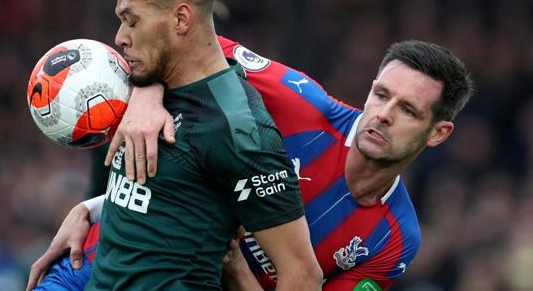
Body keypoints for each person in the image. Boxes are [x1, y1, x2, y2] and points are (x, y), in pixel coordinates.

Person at [28, 35, 474, 290]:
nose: (383, 114)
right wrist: (145, 91)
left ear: (438, 133)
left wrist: (240, 276)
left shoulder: (393, 241)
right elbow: (174, 38)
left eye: (408, 110)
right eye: (381, 94)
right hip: (93, 263)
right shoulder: (302, 105)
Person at [27, 0, 322, 291]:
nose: (120, 38)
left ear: (181, 19)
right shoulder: (150, 83)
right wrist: (90, 210)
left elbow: (302, 275)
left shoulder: (239, 127)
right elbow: (173, 199)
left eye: (131, 20)